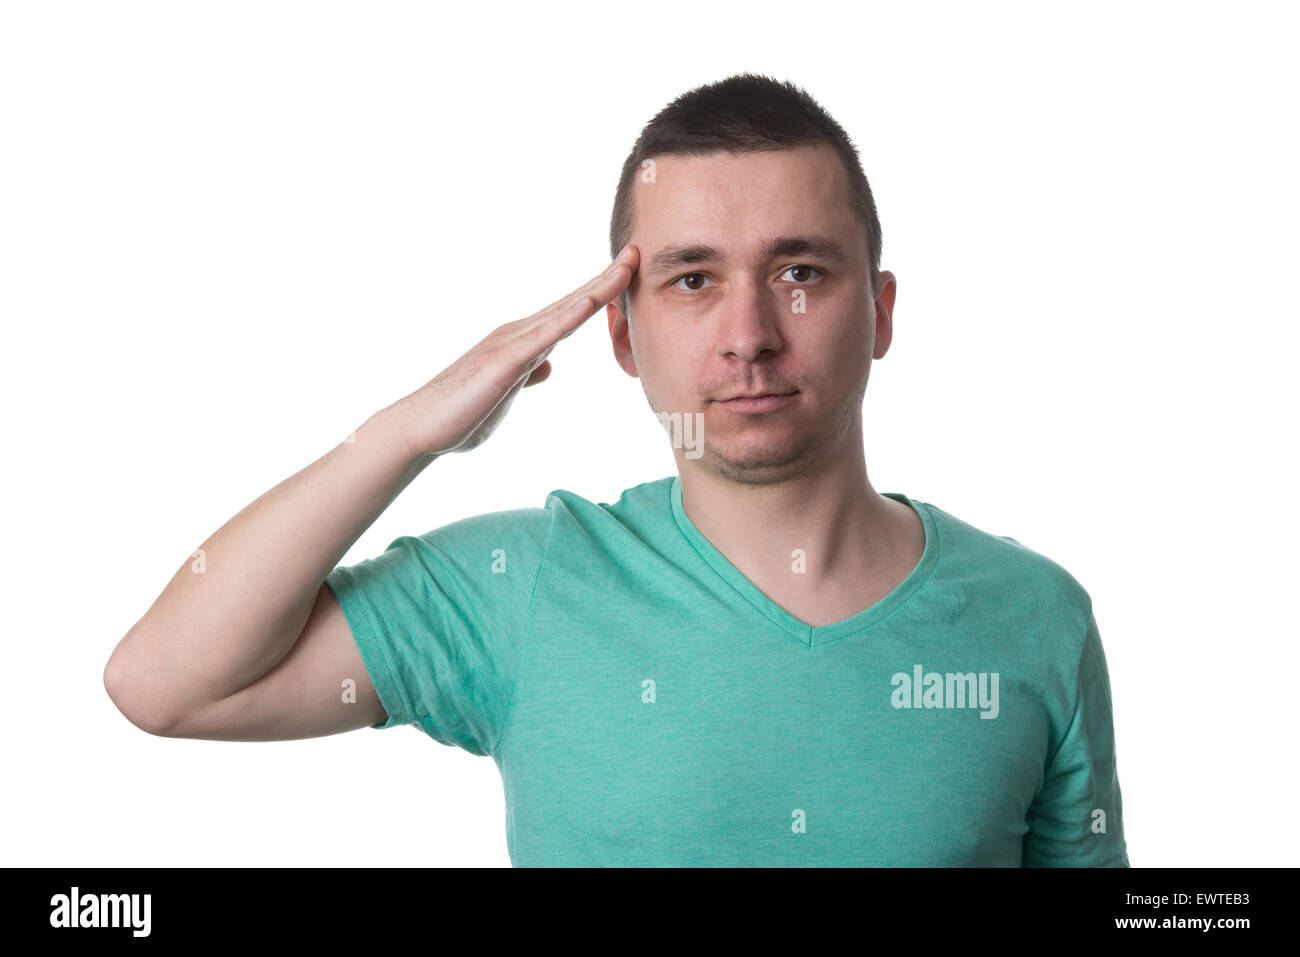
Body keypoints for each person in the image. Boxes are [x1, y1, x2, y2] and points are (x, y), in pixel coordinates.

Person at [104, 73, 1128, 867]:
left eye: (800, 273)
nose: (749, 336)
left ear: (883, 311)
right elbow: (164, 685)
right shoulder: (519, 587)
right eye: (691, 279)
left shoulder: (1033, 616)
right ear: (625, 339)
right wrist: (406, 433)